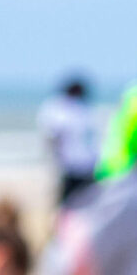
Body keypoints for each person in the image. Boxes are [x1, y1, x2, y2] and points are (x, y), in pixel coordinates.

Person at [37, 75, 101, 206]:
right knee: (67, 203)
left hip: (86, 165)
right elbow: (51, 137)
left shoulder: (81, 109)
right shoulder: (59, 108)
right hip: (70, 166)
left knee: (84, 203)